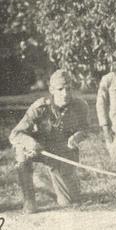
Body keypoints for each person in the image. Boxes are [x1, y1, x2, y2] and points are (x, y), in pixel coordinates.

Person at [10, 70, 90, 214]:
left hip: (62, 154)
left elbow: (85, 129)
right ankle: (29, 200)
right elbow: (15, 134)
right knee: (20, 150)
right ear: (51, 90)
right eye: (60, 89)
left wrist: (77, 136)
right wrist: (30, 142)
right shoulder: (40, 107)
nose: (65, 93)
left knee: (69, 202)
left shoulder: (80, 106)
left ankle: (40, 181)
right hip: (39, 149)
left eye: (69, 88)